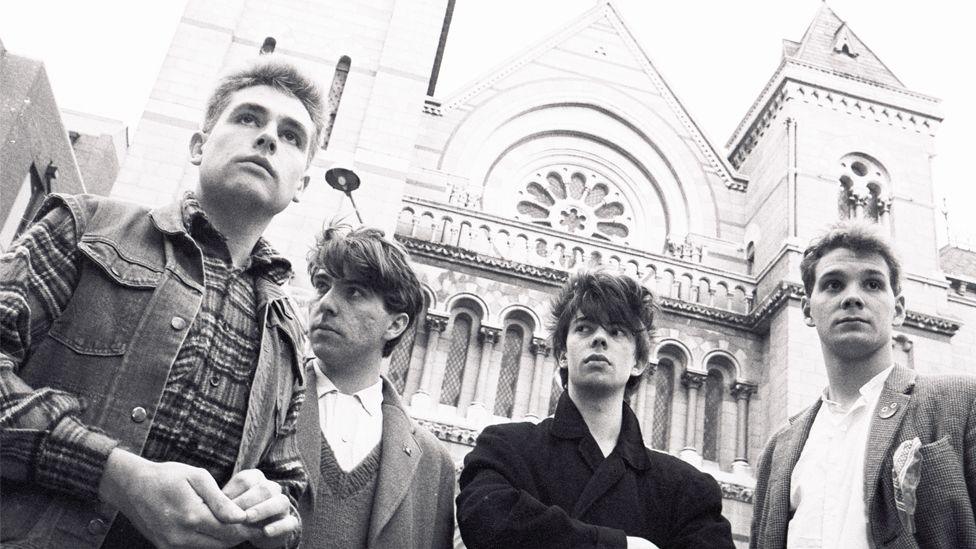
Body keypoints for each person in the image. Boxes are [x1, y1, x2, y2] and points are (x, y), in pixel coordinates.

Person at [0, 57, 326, 548]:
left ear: (300, 185)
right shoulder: (85, 226)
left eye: (292, 135)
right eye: (248, 118)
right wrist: (113, 474)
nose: (269, 138)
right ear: (198, 146)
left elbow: (288, 483)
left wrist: (277, 516)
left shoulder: (288, 332)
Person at [456, 270, 735, 549]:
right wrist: (620, 546)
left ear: (639, 362)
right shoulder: (506, 448)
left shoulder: (686, 488)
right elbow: (484, 520)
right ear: (563, 355)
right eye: (584, 328)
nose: (600, 338)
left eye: (617, 331)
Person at [750, 221, 976, 548]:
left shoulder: (962, 403)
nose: (852, 297)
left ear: (898, 310)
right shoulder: (778, 450)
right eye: (833, 284)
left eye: (872, 284)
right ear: (807, 309)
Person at [296, 224, 455, 549]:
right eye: (322, 286)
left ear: (396, 324)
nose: (325, 304)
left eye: (353, 292)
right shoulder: (265, 400)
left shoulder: (434, 463)